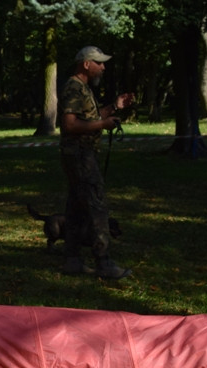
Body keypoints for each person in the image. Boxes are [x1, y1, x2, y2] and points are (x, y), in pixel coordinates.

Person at [58, 45, 134, 279]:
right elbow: (69, 125)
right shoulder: (74, 87)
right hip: (81, 155)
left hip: (79, 155)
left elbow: (90, 117)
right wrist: (103, 125)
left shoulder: (82, 88)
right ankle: (103, 262)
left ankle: (72, 259)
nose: (103, 67)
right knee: (96, 207)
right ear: (86, 64)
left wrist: (114, 108)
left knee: (76, 206)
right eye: (99, 62)